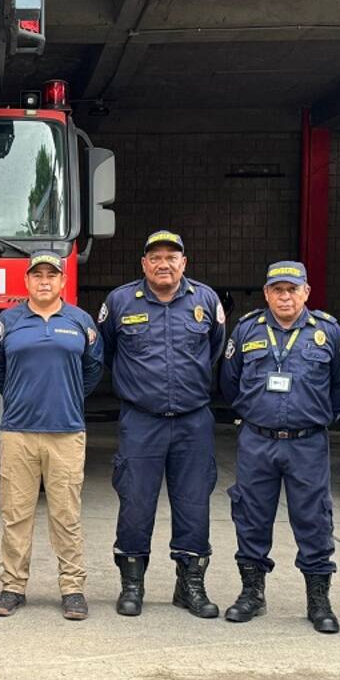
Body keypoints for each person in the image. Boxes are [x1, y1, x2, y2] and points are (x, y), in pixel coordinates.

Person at [218, 261, 340, 632]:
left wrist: (318, 417)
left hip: (306, 443)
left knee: (313, 519)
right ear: (266, 294)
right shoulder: (247, 330)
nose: (284, 296)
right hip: (257, 440)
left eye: (292, 289)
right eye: (277, 289)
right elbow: (229, 384)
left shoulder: (326, 332)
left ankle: (318, 600)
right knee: (250, 516)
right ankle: (252, 593)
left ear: (306, 292)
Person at [97, 230, 225, 618]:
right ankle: (132, 586)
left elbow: (216, 349)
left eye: (172, 257)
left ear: (184, 263)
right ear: (144, 264)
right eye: (155, 257)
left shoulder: (205, 300)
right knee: (135, 503)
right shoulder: (120, 301)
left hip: (193, 422)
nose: (163, 264)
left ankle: (190, 586)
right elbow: (105, 351)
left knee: (194, 504)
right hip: (141, 421)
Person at [0, 252, 104, 621]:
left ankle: (72, 588)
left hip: (66, 431)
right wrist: (23, 395)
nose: (44, 281)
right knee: (15, 515)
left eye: (51, 275)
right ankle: (13, 586)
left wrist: (65, 395)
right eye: (37, 275)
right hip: (18, 432)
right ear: (27, 282)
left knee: (66, 515)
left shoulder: (80, 321)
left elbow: (94, 367)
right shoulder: (9, 321)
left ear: (62, 282)